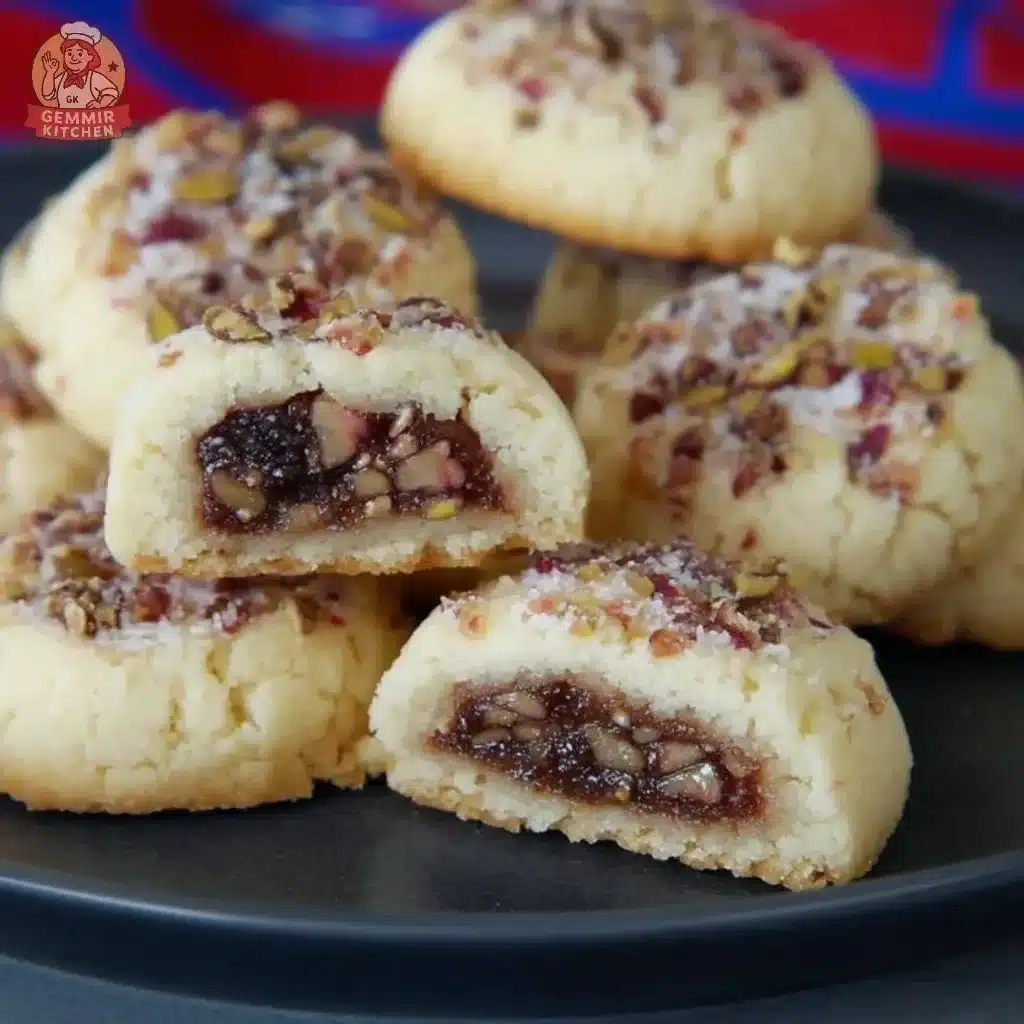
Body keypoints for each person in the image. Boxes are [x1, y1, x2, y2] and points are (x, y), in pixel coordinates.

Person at [39, 21, 119, 110]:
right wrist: (50, 73)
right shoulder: (62, 77)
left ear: (90, 57)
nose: (74, 58)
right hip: (64, 121)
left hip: (89, 122)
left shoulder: (93, 77)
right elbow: (48, 95)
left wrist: (100, 104)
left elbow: (111, 92)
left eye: (80, 54)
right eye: (69, 54)